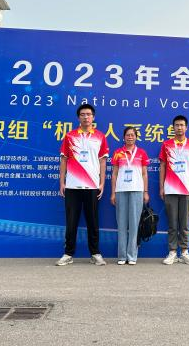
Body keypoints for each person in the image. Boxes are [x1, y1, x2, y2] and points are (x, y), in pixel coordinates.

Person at [56, 103, 109, 266]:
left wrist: (102, 183)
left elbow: (103, 161)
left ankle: (95, 253)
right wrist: (62, 182)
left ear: (93, 117)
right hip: (72, 186)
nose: (86, 117)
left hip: (92, 186)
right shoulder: (70, 136)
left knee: (93, 221)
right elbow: (64, 160)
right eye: (83, 114)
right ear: (78, 117)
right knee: (71, 221)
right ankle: (68, 254)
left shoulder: (100, 136)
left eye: (89, 114)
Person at [159, 114, 189, 265]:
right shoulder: (166, 145)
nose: (179, 127)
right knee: (172, 223)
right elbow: (162, 166)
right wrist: (161, 187)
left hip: (187, 188)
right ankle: (172, 252)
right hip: (170, 188)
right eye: (177, 125)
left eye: (182, 125)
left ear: (186, 127)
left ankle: (184, 252)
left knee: (185, 223)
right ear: (173, 127)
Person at [110, 127, 150, 265]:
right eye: (128, 135)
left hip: (137, 190)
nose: (130, 137)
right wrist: (113, 193)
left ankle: (132, 256)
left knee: (134, 224)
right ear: (124, 137)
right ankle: (122, 256)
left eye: (132, 135)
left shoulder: (142, 153)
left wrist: (145, 191)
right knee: (121, 224)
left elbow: (144, 174)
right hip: (121, 190)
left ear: (136, 137)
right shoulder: (117, 153)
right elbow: (114, 174)